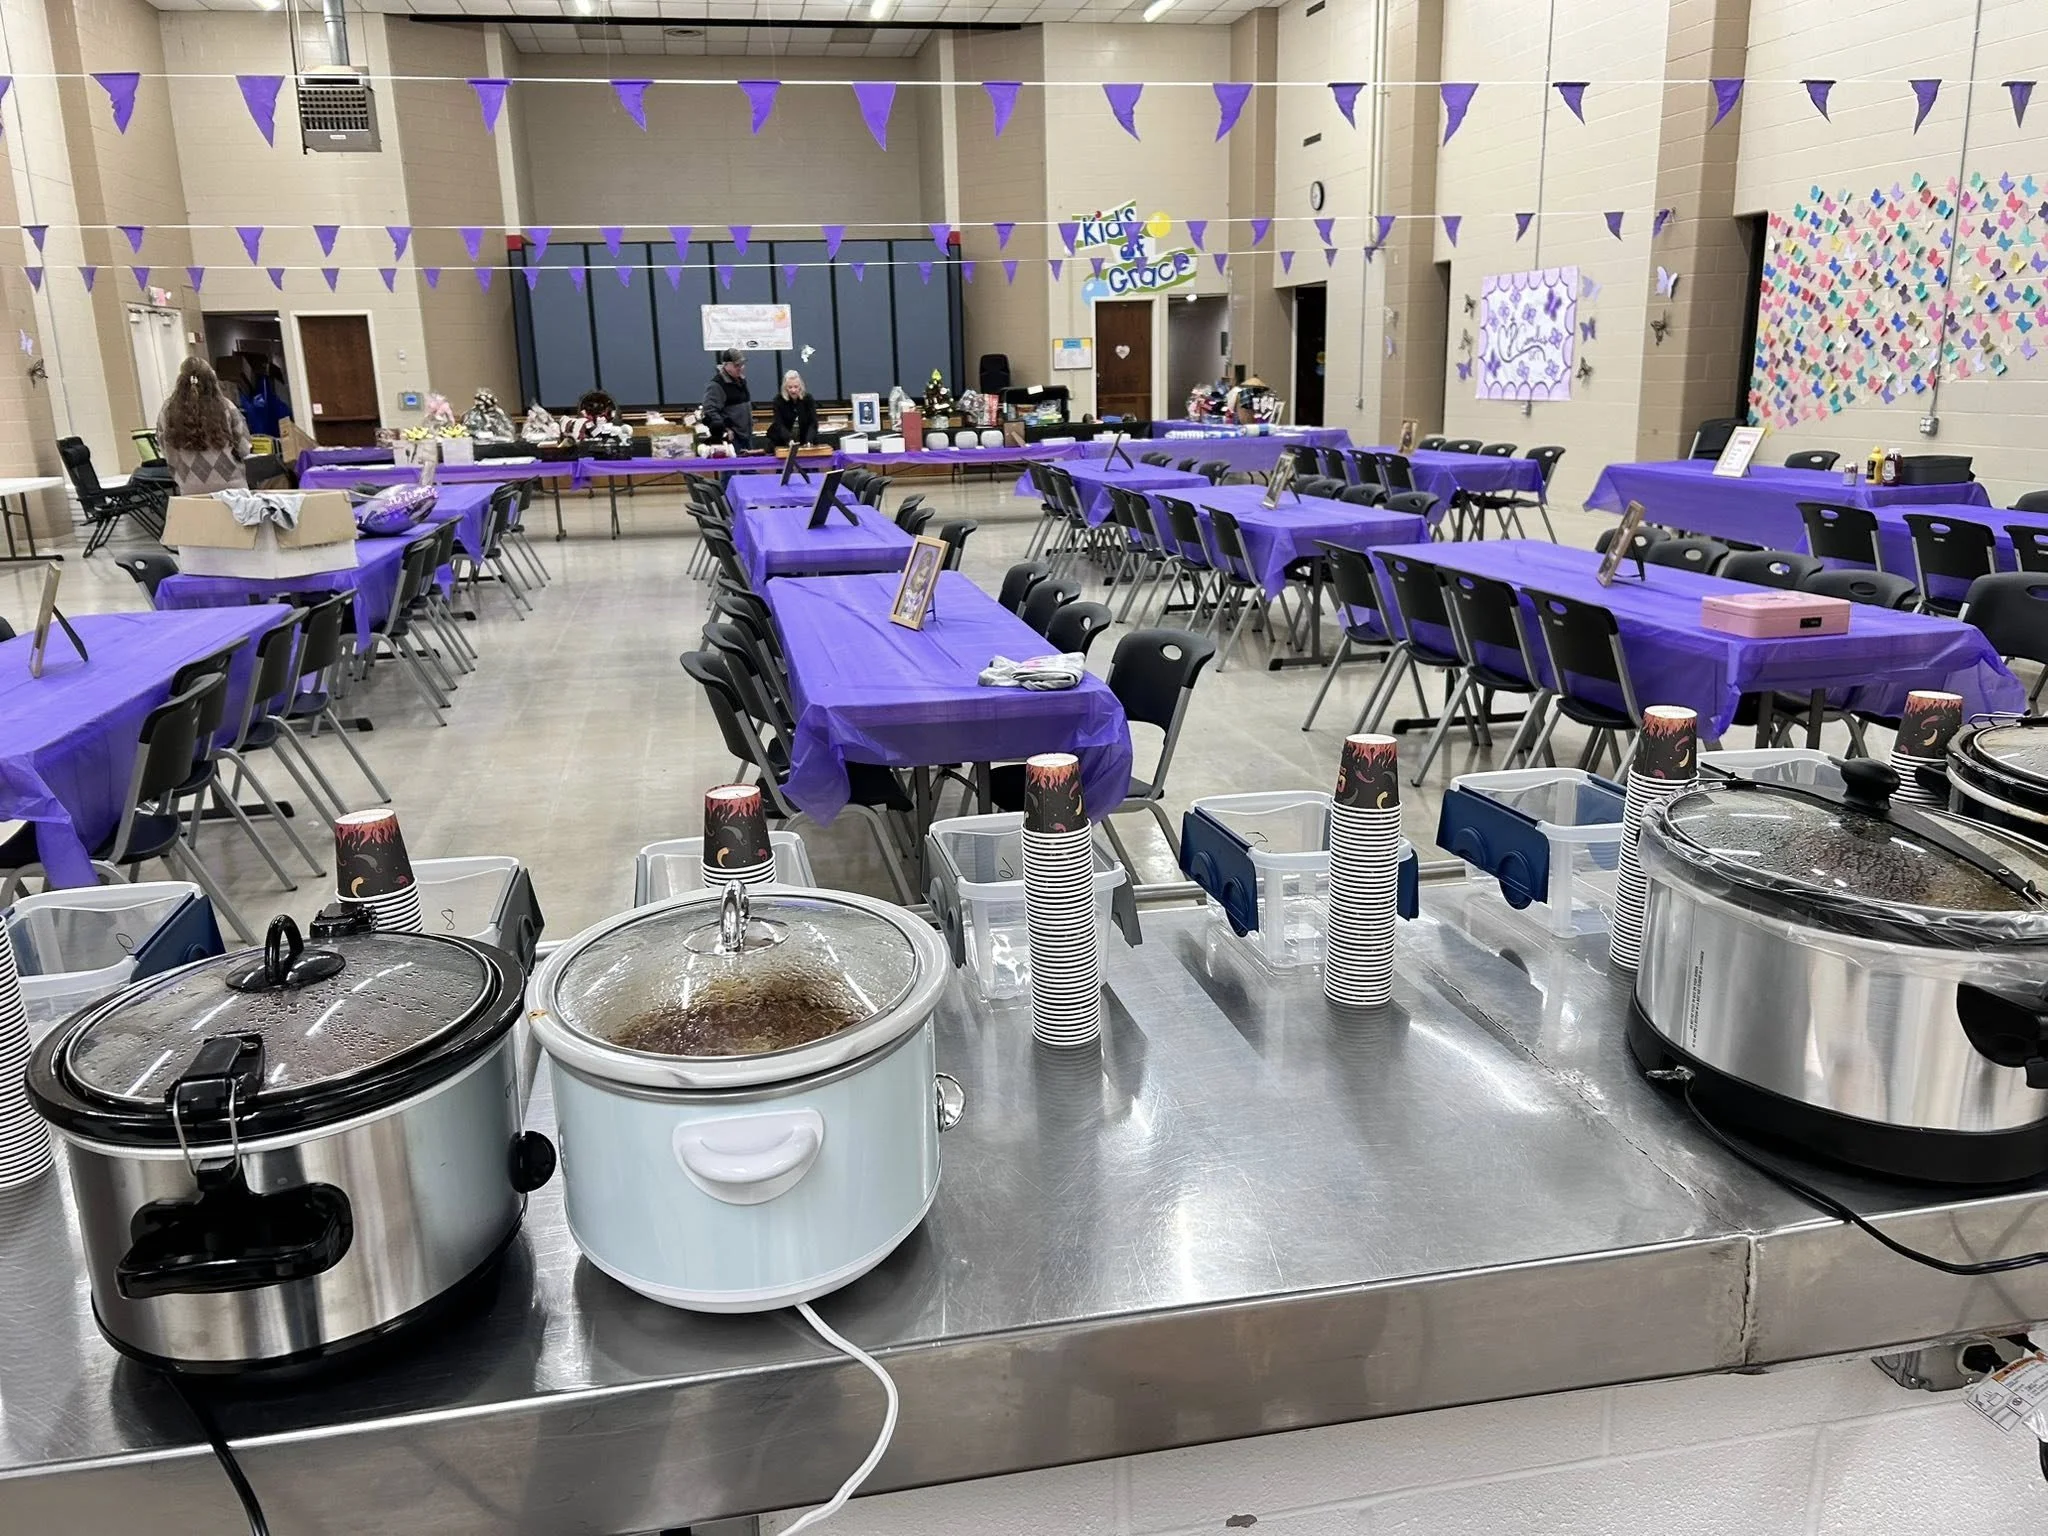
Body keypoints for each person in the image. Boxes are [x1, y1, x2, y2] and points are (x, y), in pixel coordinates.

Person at [157, 356, 251, 495]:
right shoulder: (226, 407)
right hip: (232, 488)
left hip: (191, 490)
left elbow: (164, 449)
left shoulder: (167, 411)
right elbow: (244, 448)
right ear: (212, 381)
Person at [700, 349, 754, 451]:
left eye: (742, 364)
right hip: (732, 438)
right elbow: (709, 410)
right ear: (726, 365)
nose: (740, 368)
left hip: (746, 435)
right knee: (734, 466)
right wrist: (725, 428)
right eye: (736, 365)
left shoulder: (741, 381)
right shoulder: (716, 385)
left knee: (750, 465)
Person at [767, 370, 818, 449]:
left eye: (796, 387)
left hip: (805, 441)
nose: (793, 390)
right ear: (785, 387)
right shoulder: (778, 400)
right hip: (782, 441)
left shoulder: (808, 399)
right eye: (790, 387)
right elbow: (779, 424)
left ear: (800, 386)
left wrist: (809, 440)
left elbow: (813, 423)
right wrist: (789, 439)